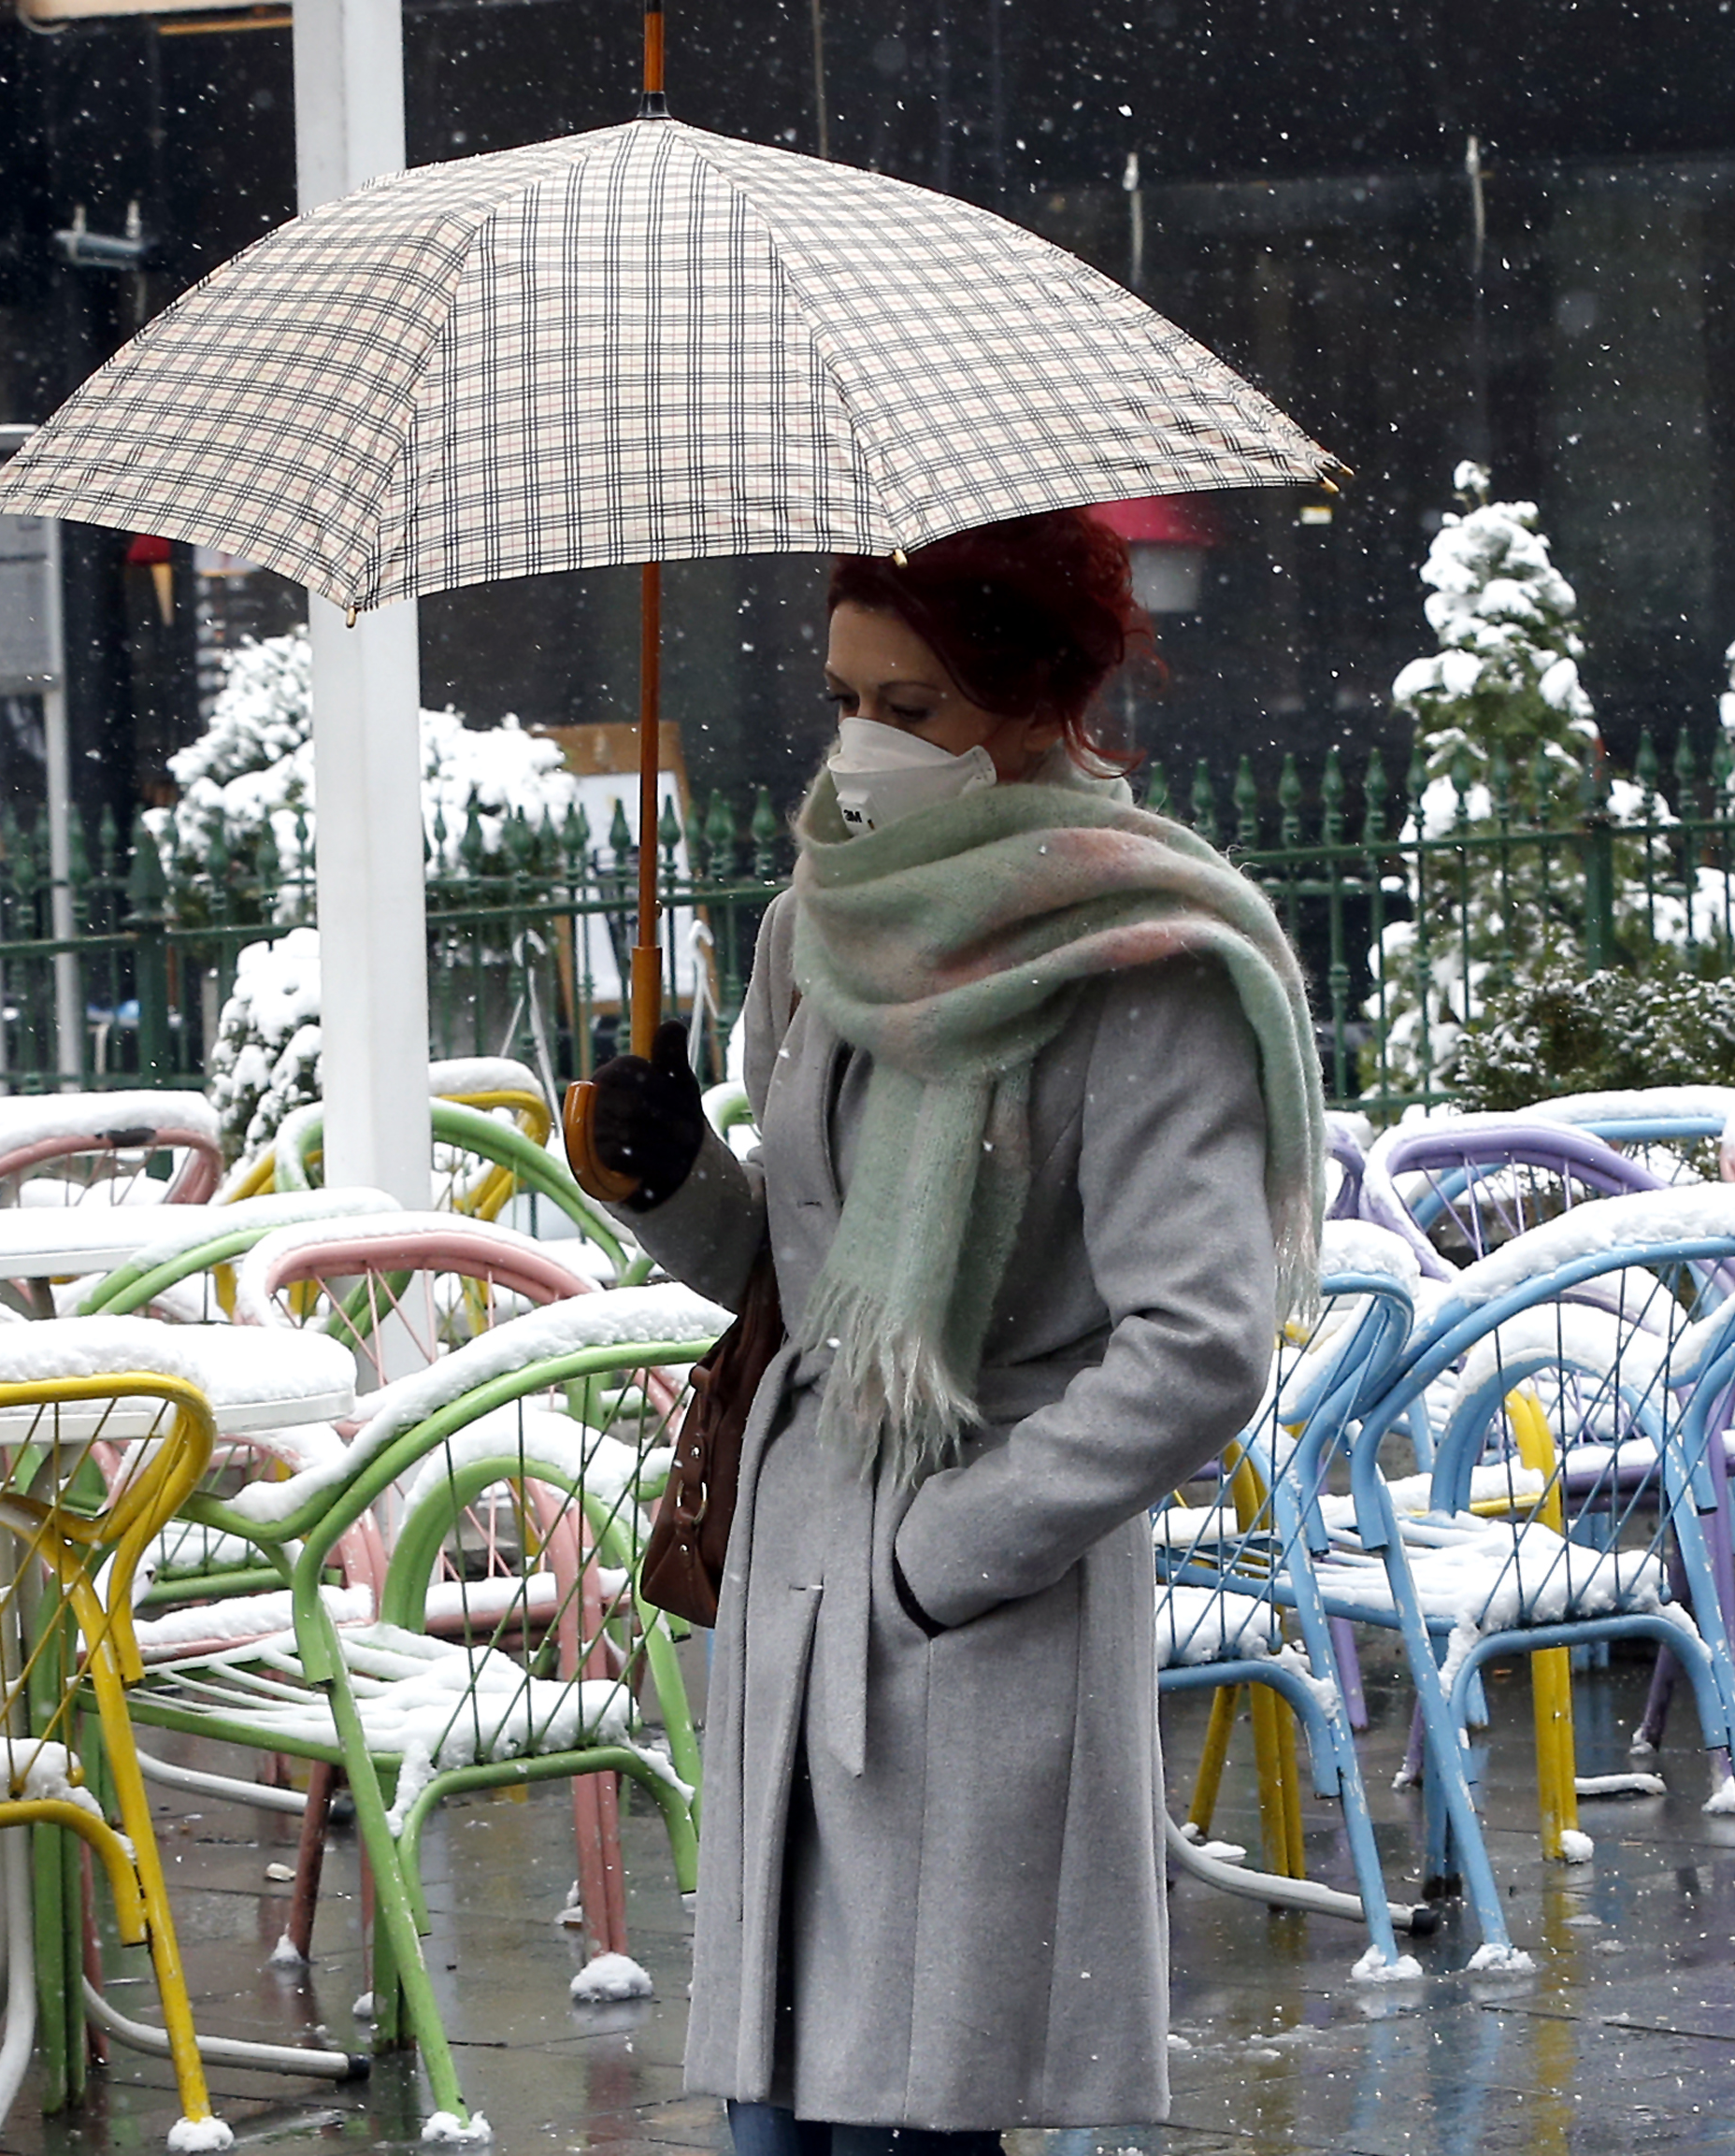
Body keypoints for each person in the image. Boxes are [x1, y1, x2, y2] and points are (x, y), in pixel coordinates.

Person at [567, 508, 1326, 2154]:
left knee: (917, 2121)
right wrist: (670, 1175)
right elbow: (810, 1270)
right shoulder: (819, 924)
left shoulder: (1139, 959)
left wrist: (944, 1557)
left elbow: (1202, 1341)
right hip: (792, 1589)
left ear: (1035, 701)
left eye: (909, 708)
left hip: (975, 1615)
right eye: (844, 697)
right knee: (778, 2117)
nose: (862, 742)